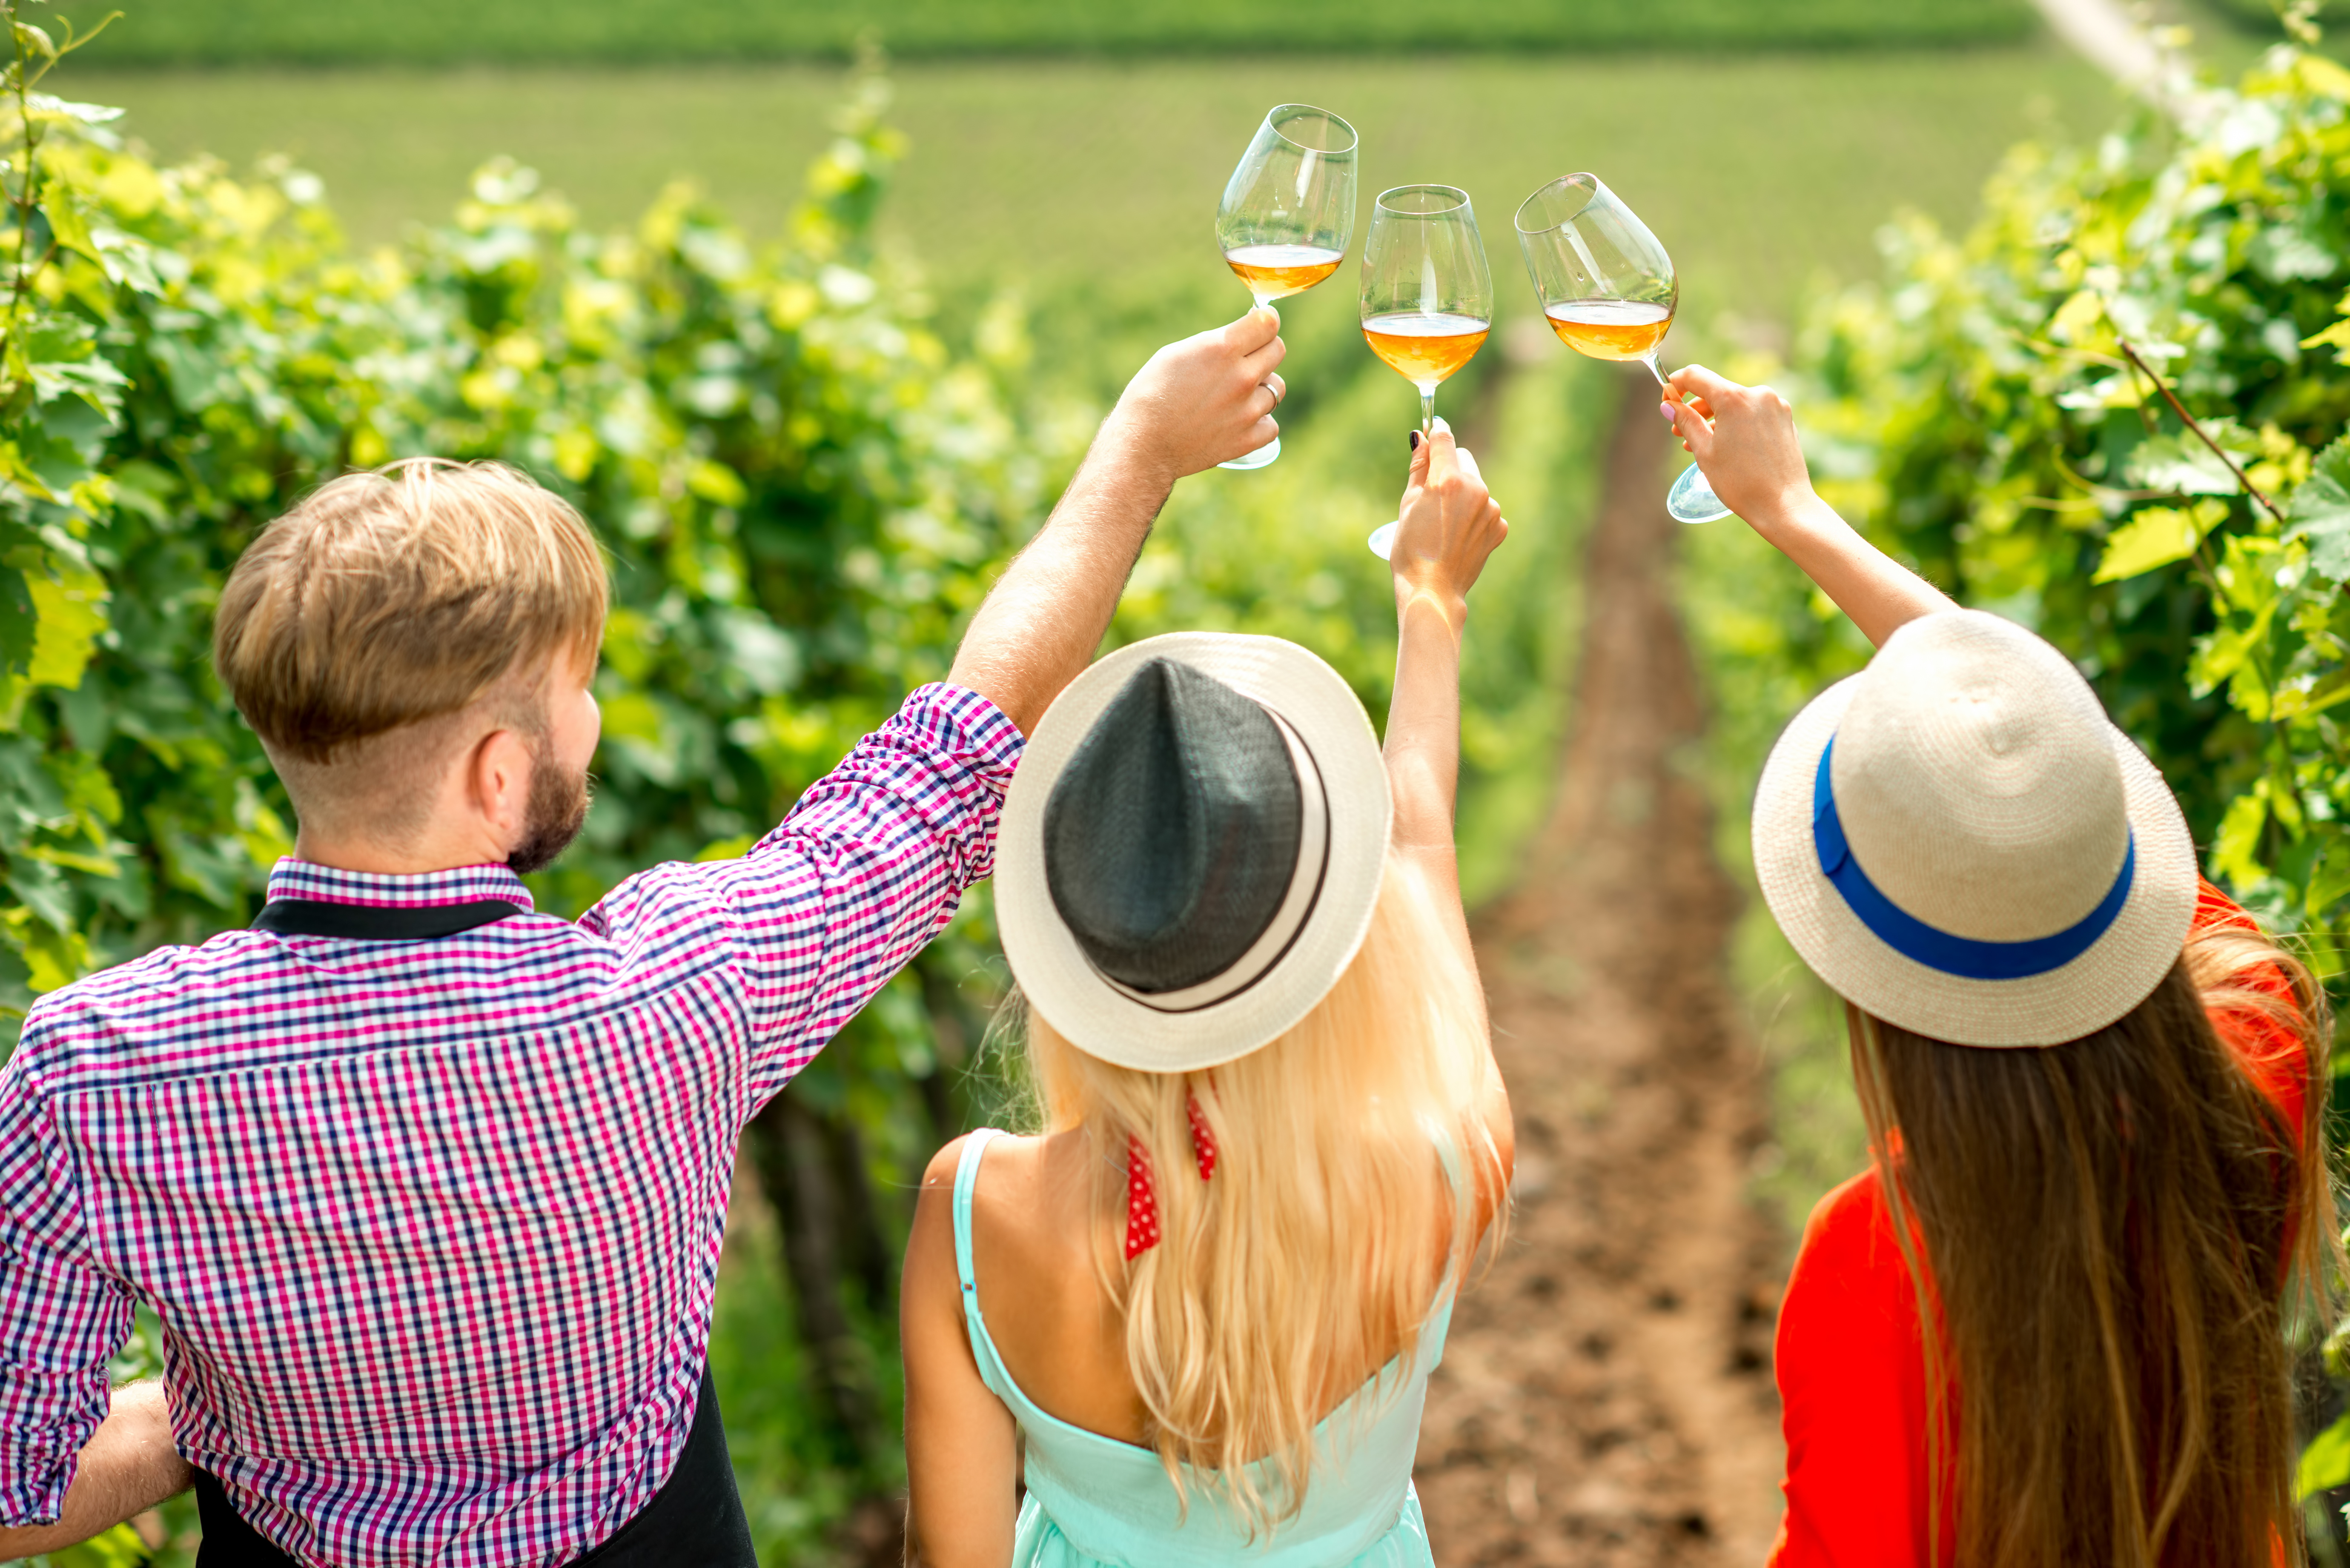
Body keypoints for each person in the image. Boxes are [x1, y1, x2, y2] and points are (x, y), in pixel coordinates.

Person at [0, 308, 1292, 1565]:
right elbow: (960, 749)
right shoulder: (677, 990)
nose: (598, 720)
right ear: (501, 775)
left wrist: (212, 1423)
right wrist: (1140, 450)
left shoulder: (95, 1067)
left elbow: (16, 1492)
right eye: (581, 689)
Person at [1664, 369, 2335, 1567]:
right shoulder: (2254, 1044)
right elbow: (2056, 799)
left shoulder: (1874, 1260)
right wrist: (1804, 515)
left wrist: (1790, 517)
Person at [899, 421, 1515, 1567]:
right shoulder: (1443, 1168)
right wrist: (1431, 602)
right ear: (1337, 936)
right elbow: (1421, 841)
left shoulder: (975, 1217)